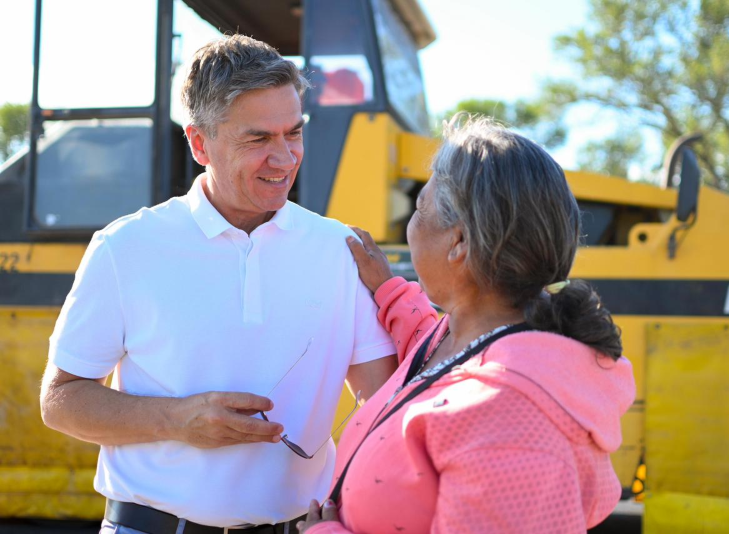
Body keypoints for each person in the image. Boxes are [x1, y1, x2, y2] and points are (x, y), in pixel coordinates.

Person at [40, 35, 397, 533]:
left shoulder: (340, 250)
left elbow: (386, 402)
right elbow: (60, 401)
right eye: (258, 139)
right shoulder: (125, 247)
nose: (285, 157)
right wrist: (178, 419)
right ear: (199, 143)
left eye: (293, 133)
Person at [297, 115, 636, 533]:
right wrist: (388, 289)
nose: (410, 227)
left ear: (458, 243)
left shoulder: (509, 418)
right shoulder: (466, 334)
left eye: (419, 208)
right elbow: (432, 362)